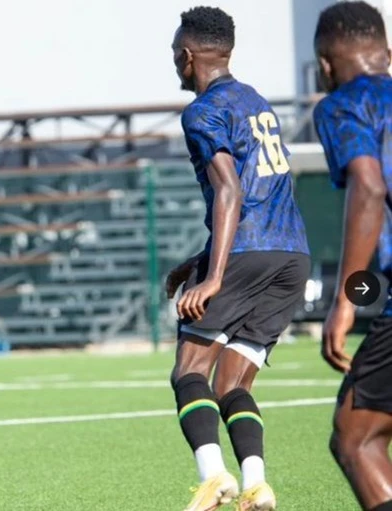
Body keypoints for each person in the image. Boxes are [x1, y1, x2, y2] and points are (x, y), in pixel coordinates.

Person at [165, 6, 311, 511]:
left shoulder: (203, 110)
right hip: (291, 256)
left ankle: (214, 479)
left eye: (173, 55)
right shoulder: (256, 102)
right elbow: (260, 193)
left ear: (188, 56)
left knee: (188, 372)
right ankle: (257, 485)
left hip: (245, 254)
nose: (174, 64)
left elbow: (229, 192)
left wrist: (214, 278)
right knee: (232, 384)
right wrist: (197, 262)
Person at [311, 2, 392, 510]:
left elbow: (368, 185)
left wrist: (346, 300)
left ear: (324, 65)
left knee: (356, 437)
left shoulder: (343, 104)